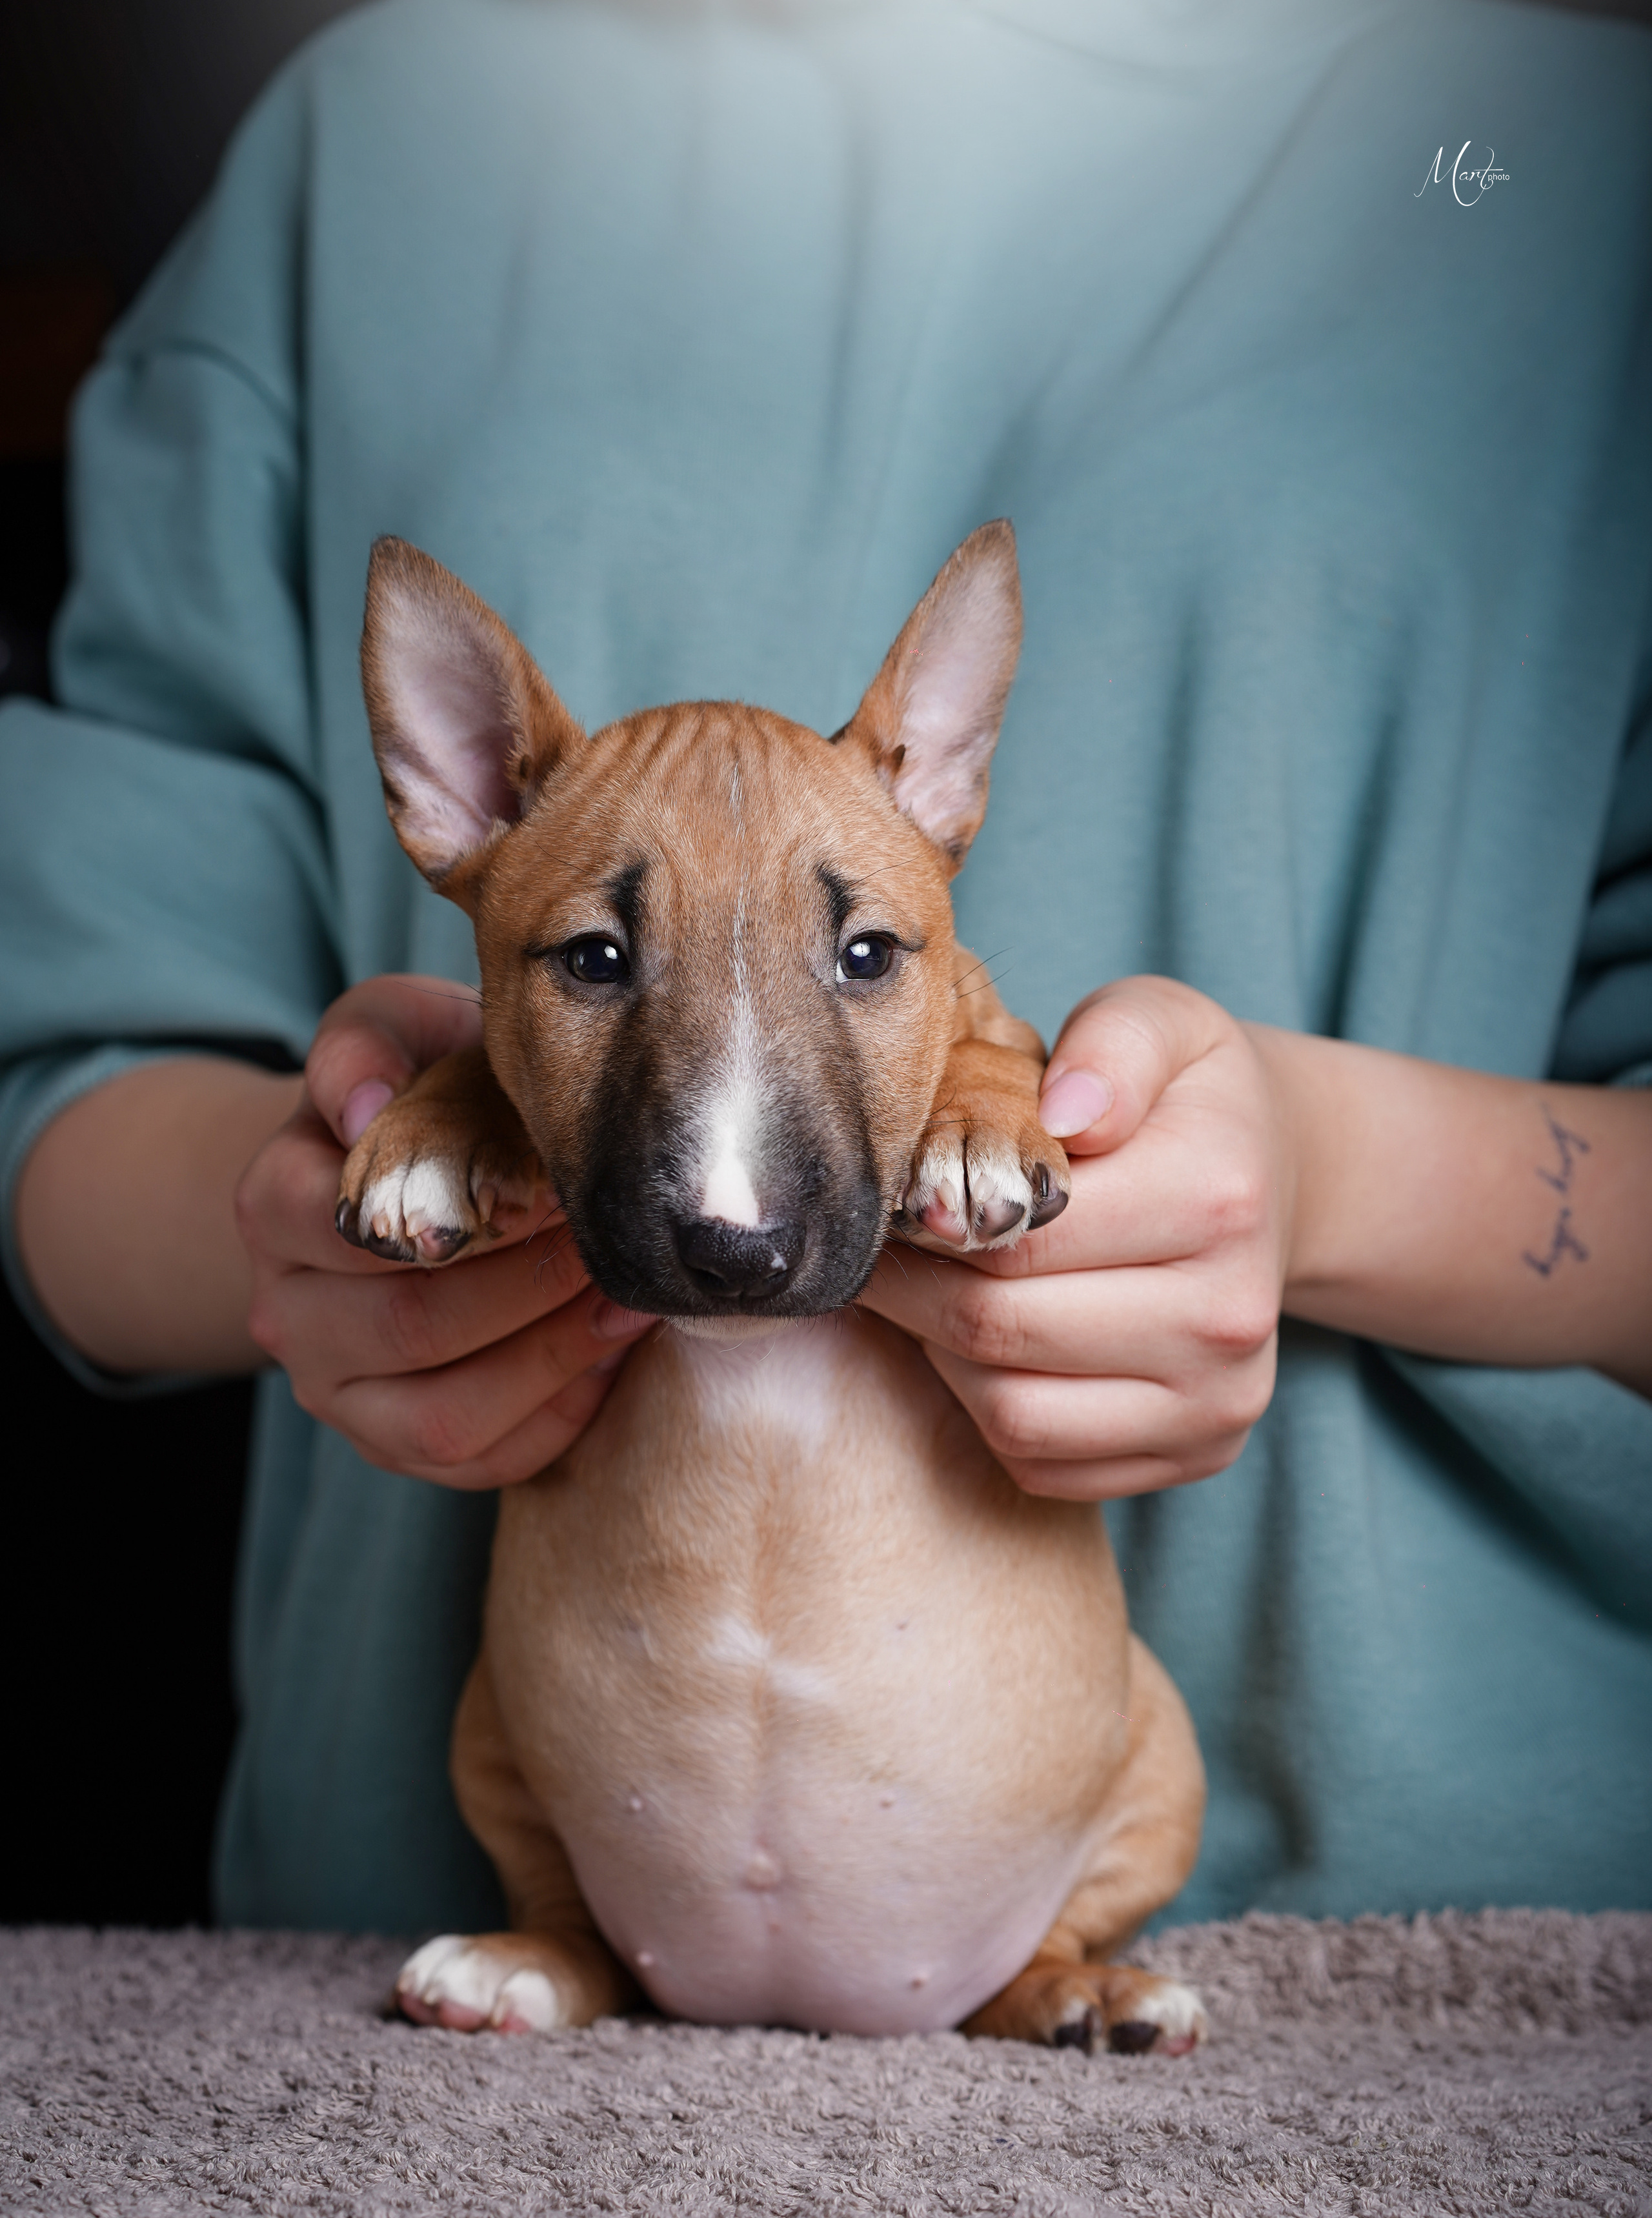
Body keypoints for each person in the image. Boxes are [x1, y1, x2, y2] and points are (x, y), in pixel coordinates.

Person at [2, 0, 1648, 1938]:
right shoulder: (371, 132)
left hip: (1406, 1961)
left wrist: (1341, 1171)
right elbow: (60, 1064)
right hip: (466, 1938)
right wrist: (309, 1229)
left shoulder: (1560, 151)